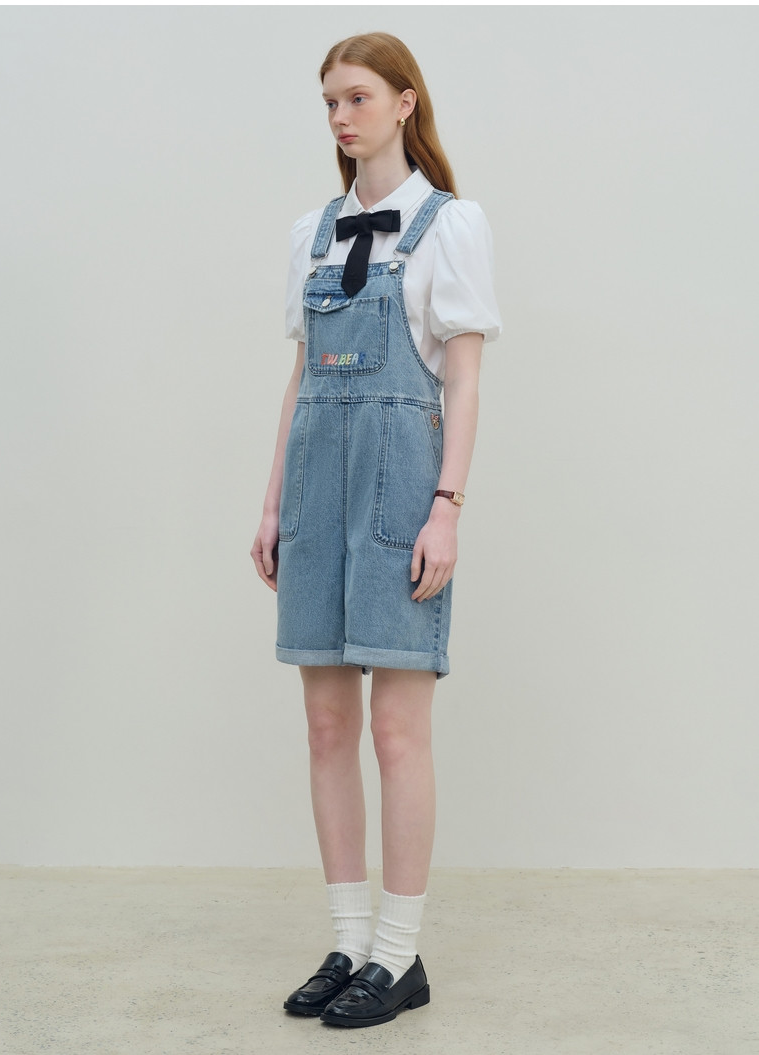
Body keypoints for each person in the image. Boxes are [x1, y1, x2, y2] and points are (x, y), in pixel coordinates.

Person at [250, 31, 502, 1028]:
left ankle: (399, 954)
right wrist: (273, 501)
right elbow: (299, 377)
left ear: (404, 102)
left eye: (357, 97)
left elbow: (464, 379)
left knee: (397, 729)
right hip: (317, 479)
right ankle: (349, 939)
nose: (340, 117)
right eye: (329, 102)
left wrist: (447, 507)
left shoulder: (451, 225)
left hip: (403, 484)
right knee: (324, 725)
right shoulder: (311, 230)